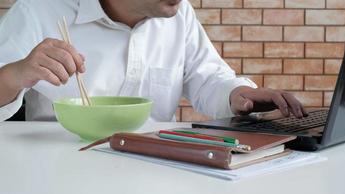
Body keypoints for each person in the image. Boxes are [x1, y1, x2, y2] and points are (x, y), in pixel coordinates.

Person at [0, 0, 307, 122]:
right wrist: (15, 75)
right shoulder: (38, 10)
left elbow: (209, 79)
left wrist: (239, 95)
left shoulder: (179, 14)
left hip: (156, 169)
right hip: (59, 173)